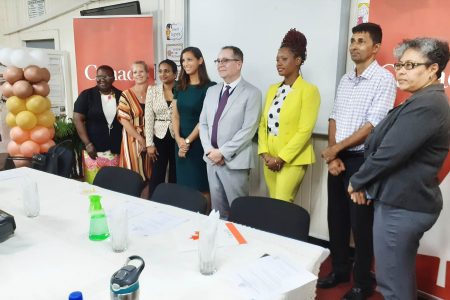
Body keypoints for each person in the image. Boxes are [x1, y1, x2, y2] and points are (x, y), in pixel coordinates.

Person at [349, 37, 450, 300]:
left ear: (433, 69)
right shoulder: (419, 99)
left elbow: (389, 153)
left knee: (392, 284)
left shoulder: (428, 104)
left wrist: (357, 181)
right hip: (399, 201)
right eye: (400, 64)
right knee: (396, 277)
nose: (401, 70)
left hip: (403, 206)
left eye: (410, 64)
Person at [317, 22, 397, 300]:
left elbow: (372, 125)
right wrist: (332, 154)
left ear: (375, 48)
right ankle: (339, 270)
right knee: (336, 219)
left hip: (362, 160)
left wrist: (335, 149)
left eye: (361, 41)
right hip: (337, 159)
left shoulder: (384, 79)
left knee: (360, 224)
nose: (353, 45)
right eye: (352, 40)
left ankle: (363, 282)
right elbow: (334, 118)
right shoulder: (345, 79)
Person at [258, 28, 320, 202]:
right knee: (272, 201)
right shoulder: (272, 89)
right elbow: (263, 124)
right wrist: (265, 153)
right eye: (277, 59)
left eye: (284, 59)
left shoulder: (309, 90)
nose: (279, 63)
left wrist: (281, 158)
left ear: (298, 61)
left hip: (291, 159)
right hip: (269, 157)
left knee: (282, 203)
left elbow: (304, 131)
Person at [199, 46, 261, 219]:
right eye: (218, 61)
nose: (220, 64)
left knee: (238, 211)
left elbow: (248, 129)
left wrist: (223, 153)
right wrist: (210, 151)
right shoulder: (211, 91)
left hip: (234, 161)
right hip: (211, 160)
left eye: (225, 60)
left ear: (239, 64)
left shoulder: (252, 93)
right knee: (218, 212)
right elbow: (203, 123)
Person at [172, 47, 216, 199]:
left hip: (199, 143)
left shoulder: (210, 88)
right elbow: (175, 115)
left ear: (200, 60)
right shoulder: (179, 86)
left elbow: (204, 119)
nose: (185, 63)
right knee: (184, 186)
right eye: (183, 60)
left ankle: (203, 221)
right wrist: (178, 139)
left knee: (201, 186)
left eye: (189, 59)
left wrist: (187, 141)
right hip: (180, 143)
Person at [73, 65, 123, 183]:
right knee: (94, 185)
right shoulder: (87, 95)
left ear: (113, 78)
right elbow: (77, 118)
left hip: (115, 149)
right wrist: (88, 143)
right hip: (93, 150)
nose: (101, 79)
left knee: (114, 184)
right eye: (99, 76)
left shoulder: (121, 95)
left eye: (105, 76)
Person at [145, 59, 178, 197]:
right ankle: (154, 200)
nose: (163, 74)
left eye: (167, 71)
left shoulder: (182, 89)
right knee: (158, 171)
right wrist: (149, 144)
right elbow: (148, 117)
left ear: (175, 74)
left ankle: (173, 199)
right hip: (159, 135)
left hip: (178, 135)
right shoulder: (152, 90)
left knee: (176, 172)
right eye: (160, 71)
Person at [117, 61, 152, 185]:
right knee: (133, 176)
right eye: (135, 72)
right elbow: (124, 120)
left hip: (151, 138)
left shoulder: (154, 92)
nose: (138, 74)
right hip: (132, 139)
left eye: (141, 71)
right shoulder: (126, 94)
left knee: (150, 175)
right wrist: (140, 139)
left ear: (148, 74)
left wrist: (148, 140)